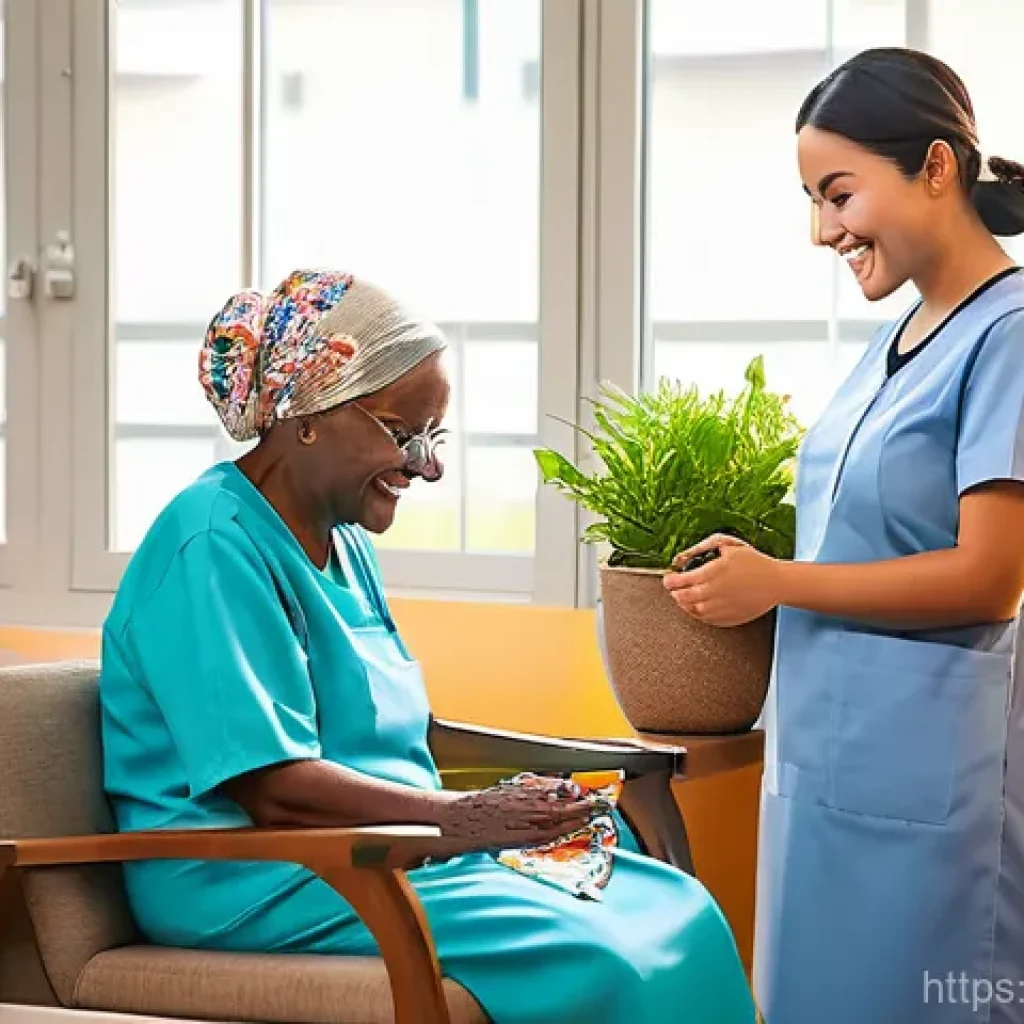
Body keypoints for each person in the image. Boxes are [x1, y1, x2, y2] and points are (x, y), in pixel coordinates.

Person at [99, 269, 755, 1024]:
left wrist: (538, 783)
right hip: (260, 875)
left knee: (675, 905)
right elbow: (271, 786)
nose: (428, 465)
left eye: (434, 437)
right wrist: (462, 816)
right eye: (404, 433)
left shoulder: (343, 539)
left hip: (388, 847)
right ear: (308, 415)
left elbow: (404, 734)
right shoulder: (212, 542)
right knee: (603, 951)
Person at [664, 48, 1024, 1023]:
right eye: (812, 201)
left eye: (839, 194)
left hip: (932, 792)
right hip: (823, 778)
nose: (823, 229)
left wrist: (777, 581)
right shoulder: (894, 339)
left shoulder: (1009, 333)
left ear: (936, 167)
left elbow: (990, 577)